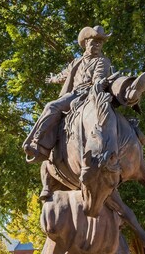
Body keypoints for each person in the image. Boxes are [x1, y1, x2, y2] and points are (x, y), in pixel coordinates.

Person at [23, 25, 113, 162]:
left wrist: (99, 82)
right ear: (86, 42)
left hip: (87, 93)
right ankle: (44, 143)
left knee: (51, 106)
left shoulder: (102, 61)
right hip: (73, 93)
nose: (97, 45)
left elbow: (98, 76)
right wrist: (54, 78)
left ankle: (38, 142)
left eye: (100, 42)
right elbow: (65, 74)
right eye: (94, 41)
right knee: (52, 108)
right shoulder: (77, 62)